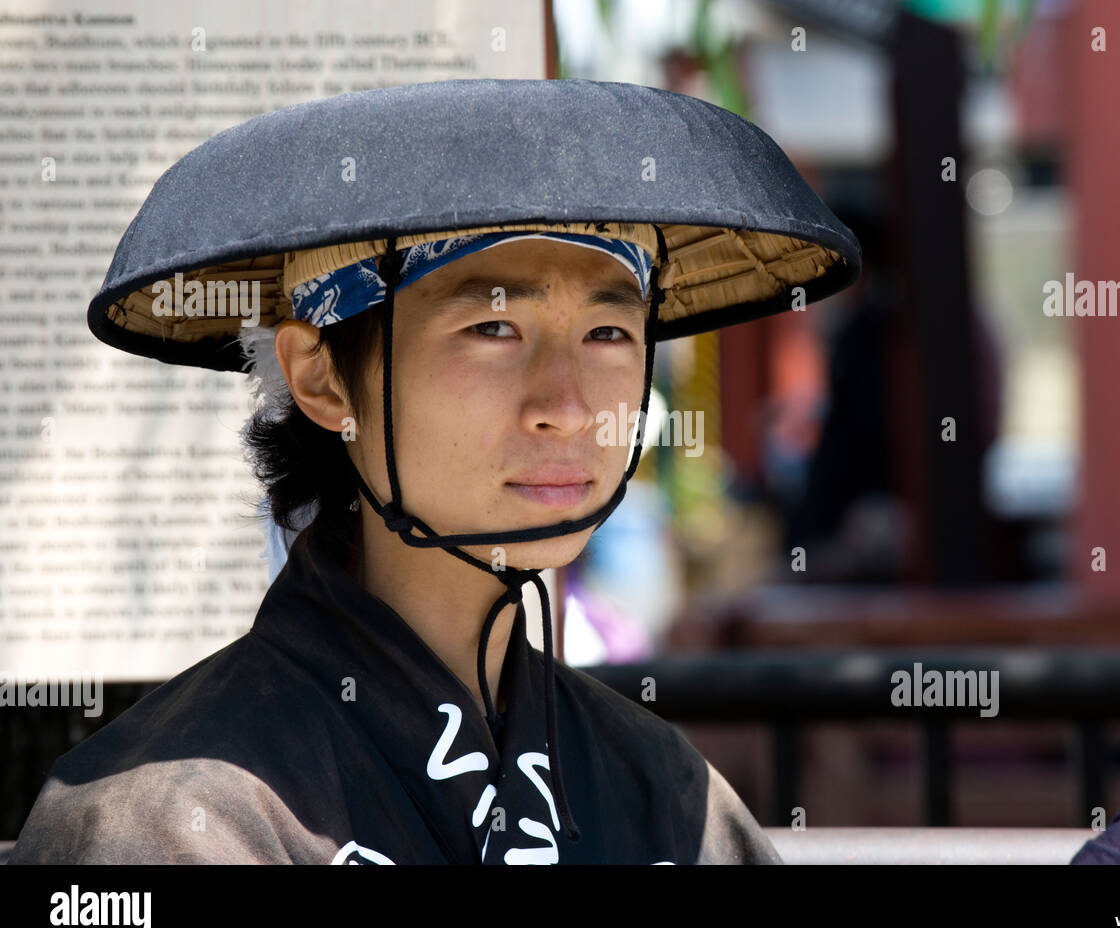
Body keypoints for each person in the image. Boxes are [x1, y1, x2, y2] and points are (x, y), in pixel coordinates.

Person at [7, 79, 860, 864]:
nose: (565, 406)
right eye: (493, 330)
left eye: (608, 333)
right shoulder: (173, 821)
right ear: (322, 376)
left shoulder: (664, 790)